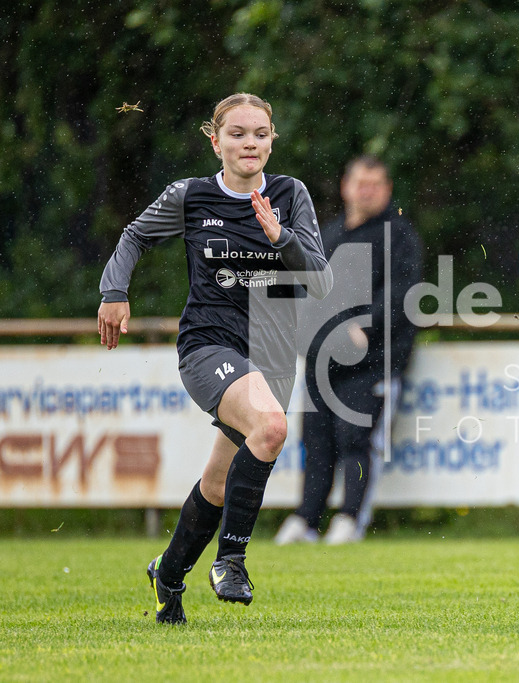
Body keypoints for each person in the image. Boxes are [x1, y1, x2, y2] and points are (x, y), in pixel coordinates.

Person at [97, 93, 332, 624]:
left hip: (270, 357)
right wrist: (114, 292)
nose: (249, 143)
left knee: (219, 483)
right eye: (237, 133)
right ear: (215, 139)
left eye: (261, 134)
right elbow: (134, 236)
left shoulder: (290, 195)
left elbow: (322, 282)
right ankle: (231, 560)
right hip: (209, 344)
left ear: (273, 140)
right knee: (271, 428)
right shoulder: (191, 196)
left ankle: (169, 573)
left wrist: (281, 237)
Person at [275, 156, 423, 546]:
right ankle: (306, 520)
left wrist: (364, 329)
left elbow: (403, 296)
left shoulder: (399, 235)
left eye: (375, 184)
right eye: (360, 182)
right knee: (316, 441)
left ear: (387, 190)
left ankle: (349, 519)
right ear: (345, 185)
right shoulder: (330, 234)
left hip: (372, 364)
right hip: (321, 359)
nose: (367, 190)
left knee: (355, 439)